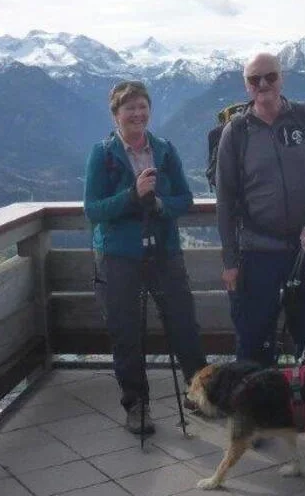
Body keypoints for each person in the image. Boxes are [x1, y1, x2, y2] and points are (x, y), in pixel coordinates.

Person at [83, 80, 206, 435]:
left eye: (142, 107)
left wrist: (161, 205)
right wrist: (132, 196)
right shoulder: (102, 154)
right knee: (126, 333)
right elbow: (93, 209)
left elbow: (185, 198)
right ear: (116, 114)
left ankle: (199, 396)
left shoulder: (164, 150)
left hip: (164, 250)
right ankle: (136, 406)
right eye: (129, 108)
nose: (137, 114)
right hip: (119, 256)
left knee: (184, 325)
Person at [215, 53, 305, 367]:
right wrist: (230, 261)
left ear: (281, 78)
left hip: (304, 250)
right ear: (246, 86)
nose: (263, 84)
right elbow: (226, 200)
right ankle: (256, 412)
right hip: (257, 252)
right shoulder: (236, 132)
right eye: (254, 79)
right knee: (255, 340)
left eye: (270, 76)